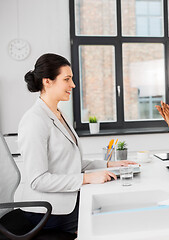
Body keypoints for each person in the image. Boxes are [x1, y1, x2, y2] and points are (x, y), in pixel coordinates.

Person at [18, 53, 137, 234]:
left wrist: (109, 164)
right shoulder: (34, 120)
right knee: (110, 225)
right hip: (47, 212)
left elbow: (71, 164)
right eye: (67, 79)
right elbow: (38, 180)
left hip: (67, 200)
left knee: (118, 207)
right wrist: (86, 178)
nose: (73, 85)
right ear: (47, 81)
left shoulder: (59, 114)